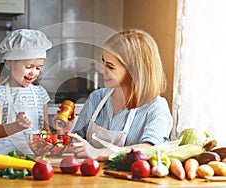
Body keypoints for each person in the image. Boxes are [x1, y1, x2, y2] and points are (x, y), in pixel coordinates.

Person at [53, 29, 173, 161]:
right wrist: (66, 131)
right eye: (103, 62)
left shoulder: (156, 107)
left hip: (128, 180)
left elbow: (150, 149)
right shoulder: (96, 98)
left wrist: (99, 153)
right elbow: (76, 144)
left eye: (110, 66)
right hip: (89, 178)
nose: (101, 70)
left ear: (134, 71)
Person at [0, 29, 52, 155]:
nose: (33, 72)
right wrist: (17, 126)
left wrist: (59, 129)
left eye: (38, 68)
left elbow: (45, 130)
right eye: (28, 67)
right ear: (9, 63)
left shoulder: (40, 93)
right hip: (5, 157)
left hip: (33, 157)